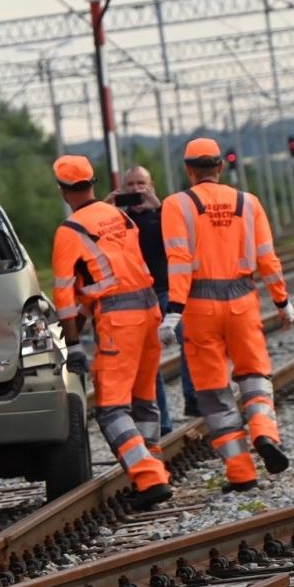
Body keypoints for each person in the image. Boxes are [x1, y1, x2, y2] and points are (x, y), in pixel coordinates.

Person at [160, 137, 294, 494]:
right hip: (243, 301)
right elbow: (268, 258)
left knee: (213, 392)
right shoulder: (248, 203)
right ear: (220, 166)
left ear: (188, 170)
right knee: (254, 375)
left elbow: (178, 261)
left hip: (199, 306)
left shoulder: (176, 205)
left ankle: (240, 471)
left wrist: (173, 311)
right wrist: (282, 302)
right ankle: (264, 433)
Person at [52, 157, 174, 511]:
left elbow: (63, 295)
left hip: (118, 322)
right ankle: (153, 471)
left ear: (62, 191)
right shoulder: (121, 217)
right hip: (149, 312)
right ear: (93, 182)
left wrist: (73, 344)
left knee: (111, 410)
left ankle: (150, 478)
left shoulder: (69, 231)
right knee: (144, 402)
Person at [116, 166, 199, 432]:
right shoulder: (118, 219)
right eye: (130, 185)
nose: (136, 189)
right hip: (140, 298)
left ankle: (193, 396)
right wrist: (107, 205)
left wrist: (159, 206)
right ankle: (162, 422)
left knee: (191, 338)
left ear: (151, 185)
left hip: (169, 292)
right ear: (122, 189)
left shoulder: (166, 214)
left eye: (141, 183)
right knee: (149, 362)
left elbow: (186, 238)